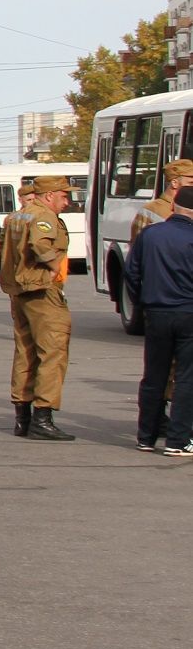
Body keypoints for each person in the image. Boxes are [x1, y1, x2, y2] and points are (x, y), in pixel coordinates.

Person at [0, 173, 75, 441]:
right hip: (42, 290)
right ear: (50, 195)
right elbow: (40, 245)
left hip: (19, 291)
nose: (67, 202)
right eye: (64, 196)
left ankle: (23, 417)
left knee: (25, 353)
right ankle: (43, 416)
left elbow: (2, 245)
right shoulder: (44, 216)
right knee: (53, 353)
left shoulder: (17, 216)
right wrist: (54, 265)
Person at [126, 184, 193, 455]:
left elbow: (131, 273)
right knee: (187, 378)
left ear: (174, 206)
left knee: (153, 376)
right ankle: (178, 440)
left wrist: (143, 301)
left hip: (155, 312)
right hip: (188, 313)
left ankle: (146, 436)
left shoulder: (149, 235)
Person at [129, 158, 193, 243]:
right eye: (191, 183)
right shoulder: (149, 210)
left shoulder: (188, 206)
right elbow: (138, 247)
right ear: (174, 183)